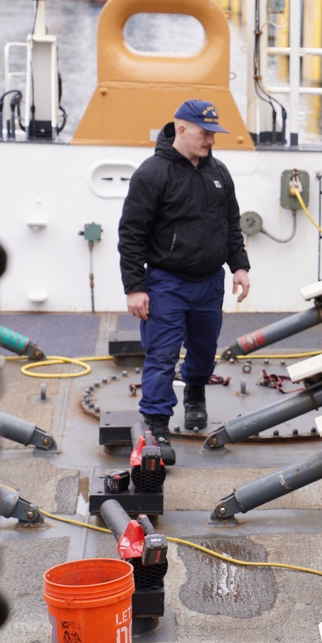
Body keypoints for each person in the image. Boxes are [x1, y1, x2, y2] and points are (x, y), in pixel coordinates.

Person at [117, 99, 251, 465]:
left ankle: (194, 393)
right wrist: (134, 286)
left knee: (205, 350)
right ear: (182, 129)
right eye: (205, 133)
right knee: (161, 357)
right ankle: (158, 425)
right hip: (167, 283)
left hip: (209, 282)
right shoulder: (152, 174)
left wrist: (239, 266)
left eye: (213, 134)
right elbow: (131, 234)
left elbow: (231, 225)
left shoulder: (219, 172)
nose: (211, 140)